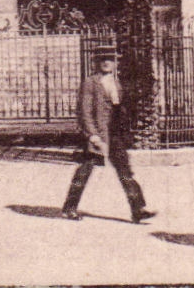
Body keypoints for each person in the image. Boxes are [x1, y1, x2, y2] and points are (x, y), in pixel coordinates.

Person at [61, 51, 154, 224]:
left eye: (110, 59)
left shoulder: (117, 83)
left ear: (115, 63)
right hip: (98, 134)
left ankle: (137, 209)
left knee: (125, 170)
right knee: (85, 170)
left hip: (115, 134)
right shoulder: (90, 83)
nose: (106, 62)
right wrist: (92, 135)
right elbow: (84, 112)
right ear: (96, 62)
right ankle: (69, 208)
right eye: (102, 59)